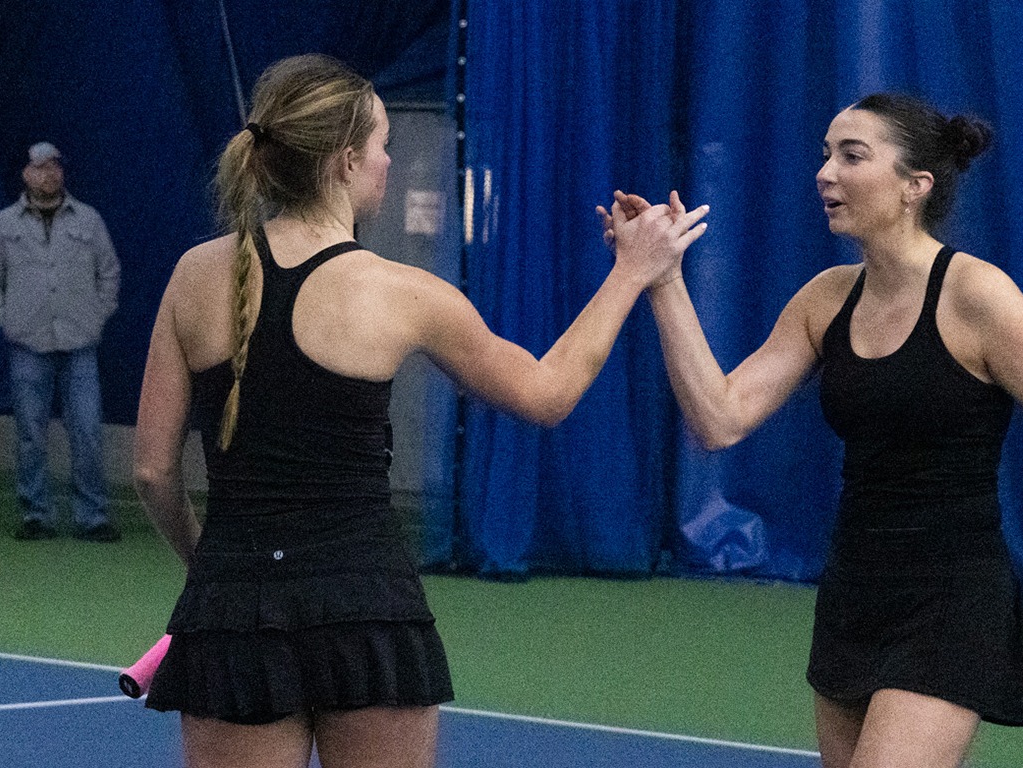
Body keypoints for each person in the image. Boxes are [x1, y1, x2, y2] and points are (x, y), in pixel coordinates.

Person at [601, 93, 1023, 767]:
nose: (825, 173)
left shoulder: (983, 300)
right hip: (853, 593)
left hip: (954, 598)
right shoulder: (824, 300)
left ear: (914, 185)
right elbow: (718, 418)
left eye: (852, 155)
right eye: (824, 155)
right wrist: (663, 282)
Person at [132, 54, 705, 768]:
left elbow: (154, 471)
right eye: (381, 146)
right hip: (368, 610)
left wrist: (207, 568)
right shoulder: (403, 292)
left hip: (233, 610)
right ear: (344, 162)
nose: (387, 162)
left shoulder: (193, 275)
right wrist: (632, 272)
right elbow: (545, 392)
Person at [0, 141, 121, 542]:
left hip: (79, 345)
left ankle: (92, 516)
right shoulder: (3, 225)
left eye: (54, 166)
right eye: (39, 167)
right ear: (26, 174)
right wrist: (7, 318)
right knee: (29, 432)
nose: (47, 174)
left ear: (62, 172)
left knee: (88, 430)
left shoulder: (89, 221)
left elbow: (109, 273)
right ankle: (35, 514)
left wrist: (97, 314)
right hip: (27, 345)